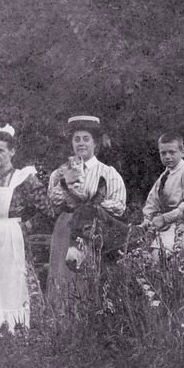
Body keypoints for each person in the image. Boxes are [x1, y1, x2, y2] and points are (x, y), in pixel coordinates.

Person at [46, 116, 127, 317]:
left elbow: (118, 205)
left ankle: (88, 325)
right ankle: (62, 327)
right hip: (66, 226)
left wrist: (92, 207)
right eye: (76, 139)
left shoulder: (107, 172)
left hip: (92, 229)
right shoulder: (59, 173)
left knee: (88, 278)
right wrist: (65, 182)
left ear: (95, 143)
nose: (81, 143)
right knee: (63, 276)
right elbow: (53, 203)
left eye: (86, 139)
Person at [0, 124, 48, 340]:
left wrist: (27, 226)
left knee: (13, 281)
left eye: (1, 150)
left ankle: (18, 331)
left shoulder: (24, 179)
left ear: (12, 151)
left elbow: (47, 210)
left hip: (13, 235)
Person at [141, 132, 184, 255]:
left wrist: (164, 218)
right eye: (163, 153)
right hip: (165, 223)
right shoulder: (164, 176)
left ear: (182, 152)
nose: (167, 157)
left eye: (172, 152)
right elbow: (152, 201)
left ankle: (164, 273)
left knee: (157, 253)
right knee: (138, 246)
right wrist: (147, 218)